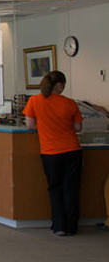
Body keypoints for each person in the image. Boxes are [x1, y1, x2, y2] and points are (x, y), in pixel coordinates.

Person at [24, 71, 83, 236]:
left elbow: (29, 125)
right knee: (71, 189)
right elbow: (78, 127)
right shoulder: (70, 103)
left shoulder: (34, 101)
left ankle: (59, 226)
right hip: (72, 150)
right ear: (60, 85)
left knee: (55, 188)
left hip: (50, 152)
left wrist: (46, 127)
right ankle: (72, 226)